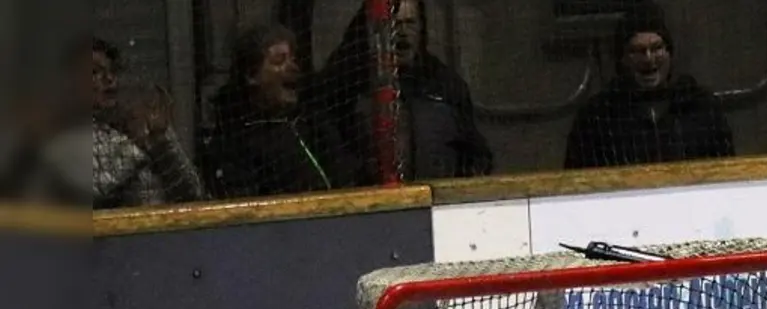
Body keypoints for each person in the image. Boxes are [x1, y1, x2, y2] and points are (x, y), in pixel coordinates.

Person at [314, 0, 493, 184]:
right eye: (394, 23)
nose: (402, 32)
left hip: (437, 201)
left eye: (410, 23)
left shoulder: (444, 83)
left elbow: (476, 153)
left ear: (421, 27)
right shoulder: (351, 82)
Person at [563, 2, 734, 170]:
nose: (649, 59)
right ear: (622, 59)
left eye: (657, 48)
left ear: (669, 52)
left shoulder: (702, 107)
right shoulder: (595, 118)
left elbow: (728, 173)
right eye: (637, 51)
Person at [199, 23, 355, 199]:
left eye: (293, 59)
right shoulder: (234, 142)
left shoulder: (311, 119)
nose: (293, 67)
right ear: (251, 76)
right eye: (279, 61)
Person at [90, 37, 206, 208]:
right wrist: (137, 146)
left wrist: (161, 142)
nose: (109, 78)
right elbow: (97, 189)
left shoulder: (142, 120)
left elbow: (192, 192)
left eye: (113, 71)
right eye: (95, 72)